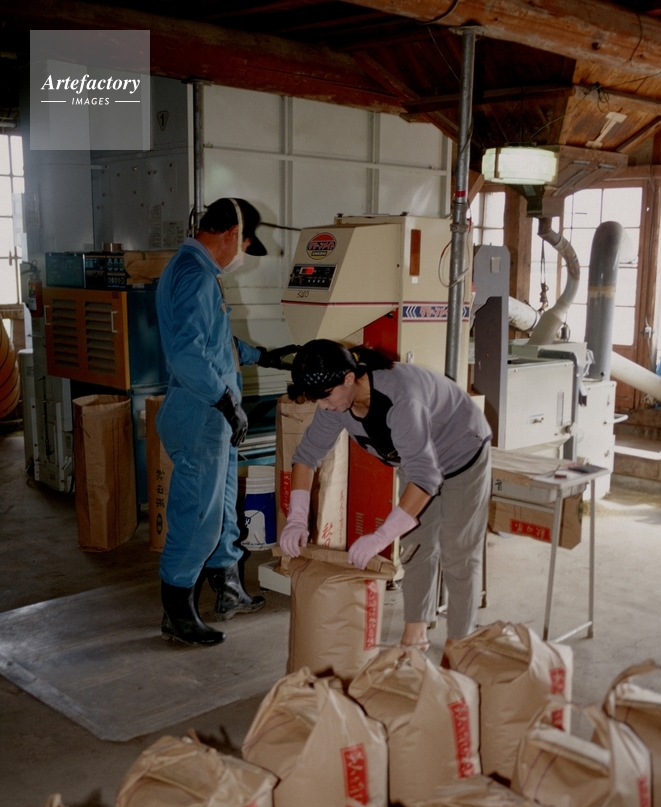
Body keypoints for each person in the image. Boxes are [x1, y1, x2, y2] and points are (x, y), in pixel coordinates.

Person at [280, 339, 492, 658]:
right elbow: (307, 456)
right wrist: (297, 517)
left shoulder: (401, 399)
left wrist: (381, 536)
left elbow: (425, 479)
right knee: (416, 546)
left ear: (349, 378)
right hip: (417, 459)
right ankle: (415, 634)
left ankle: (460, 643)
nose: (322, 406)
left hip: (462, 451)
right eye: (316, 400)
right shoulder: (336, 404)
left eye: (325, 396)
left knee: (457, 550)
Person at [156, 197, 284, 646]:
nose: (242, 254)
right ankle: (177, 613)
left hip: (213, 417)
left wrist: (263, 356)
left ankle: (228, 590)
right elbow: (187, 355)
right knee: (199, 516)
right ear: (232, 234)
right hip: (201, 414)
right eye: (245, 245)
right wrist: (225, 401)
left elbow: (215, 341)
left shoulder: (197, 272)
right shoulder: (194, 275)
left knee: (223, 508)